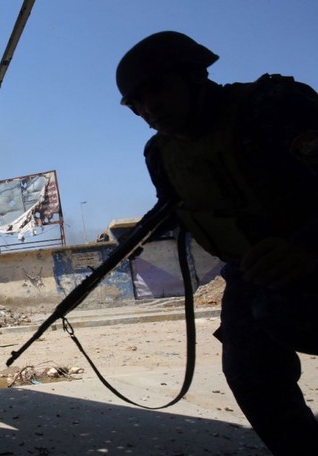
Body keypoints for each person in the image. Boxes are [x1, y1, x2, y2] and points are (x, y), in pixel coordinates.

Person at [116, 31, 318, 455]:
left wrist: (304, 246)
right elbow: (172, 207)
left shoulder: (274, 108)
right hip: (253, 273)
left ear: (195, 76)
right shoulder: (162, 154)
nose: (149, 109)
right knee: (250, 371)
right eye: (137, 105)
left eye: (159, 91)